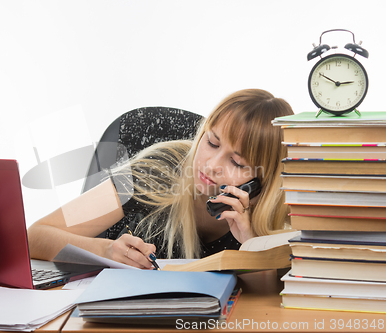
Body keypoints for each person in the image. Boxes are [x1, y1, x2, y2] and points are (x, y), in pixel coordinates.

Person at [28, 89, 294, 269]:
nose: (212, 165)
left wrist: (250, 241)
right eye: (212, 143)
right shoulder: (156, 171)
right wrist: (105, 250)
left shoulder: (272, 218)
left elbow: (268, 298)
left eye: (236, 162)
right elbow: (35, 236)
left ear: (261, 182)